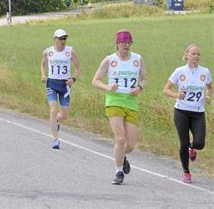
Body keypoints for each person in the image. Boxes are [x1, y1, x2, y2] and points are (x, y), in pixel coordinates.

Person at [92, 29, 147, 185]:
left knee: (129, 145)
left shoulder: (137, 59)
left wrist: (140, 88)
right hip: (114, 101)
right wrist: (108, 87)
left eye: (129, 42)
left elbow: (144, 79)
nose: (126, 45)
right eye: (123, 43)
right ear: (117, 44)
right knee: (120, 138)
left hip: (131, 102)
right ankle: (118, 172)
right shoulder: (110, 60)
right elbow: (95, 80)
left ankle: (122, 156)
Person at [163, 44, 212, 184]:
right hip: (181, 111)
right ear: (187, 55)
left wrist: (208, 96)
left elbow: (210, 88)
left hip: (198, 112)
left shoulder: (205, 72)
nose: (196, 56)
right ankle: (186, 171)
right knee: (183, 143)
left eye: (198, 54)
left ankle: (193, 148)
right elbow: (166, 90)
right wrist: (177, 94)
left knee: (200, 143)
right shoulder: (179, 71)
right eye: (194, 54)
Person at [40, 29, 81, 149]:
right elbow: (42, 63)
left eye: (65, 38)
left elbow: (78, 68)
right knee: (53, 110)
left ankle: (56, 120)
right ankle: (55, 140)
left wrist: (73, 79)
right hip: (52, 83)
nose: (63, 41)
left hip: (65, 85)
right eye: (60, 38)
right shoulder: (48, 52)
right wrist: (43, 75)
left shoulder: (70, 51)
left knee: (64, 116)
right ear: (55, 39)